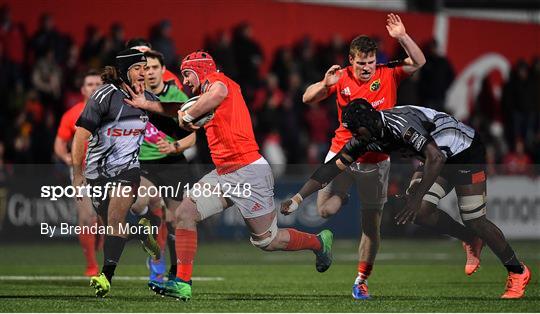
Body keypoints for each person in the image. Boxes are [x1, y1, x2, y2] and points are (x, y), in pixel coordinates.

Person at [125, 51, 334, 301]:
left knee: (267, 241)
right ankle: (182, 283)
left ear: (201, 70)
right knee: (184, 214)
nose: (185, 82)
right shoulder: (205, 95)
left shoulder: (219, 82)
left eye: (187, 74)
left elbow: (215, 95)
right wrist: (147, 105)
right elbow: (180, 109)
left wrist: (189, 116)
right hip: (222, 173)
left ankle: (319, 243)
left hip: (249, 172)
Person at [282, 99, 531, 299]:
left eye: (354, 131)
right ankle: (470, 239)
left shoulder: (400, 126)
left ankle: (517, 270)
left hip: (463, 150)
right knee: (420, 211)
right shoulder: (366, 136)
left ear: (366, 126)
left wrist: (414, 198)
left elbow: (435, 158)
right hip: (436, 156)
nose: (352, 136)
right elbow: (330, 169)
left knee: (474, 218)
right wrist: (297, 198)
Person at [301, 13, 426, 299]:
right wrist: (323, 84)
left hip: (376, 159)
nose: (367, 68)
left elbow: (419, 62)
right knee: (324, 211)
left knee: (371, 225)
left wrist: (402, 37)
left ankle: (361, 280)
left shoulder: (388, 72)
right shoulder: (340, 77)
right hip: (342, 151)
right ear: (351, 61)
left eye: (371, 62)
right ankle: (344, 195)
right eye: (361, 63)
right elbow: (306, 98)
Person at [71, 48, 160, 297]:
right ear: (123, 72)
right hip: (97, 172)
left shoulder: (149, 98)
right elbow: (81, 136)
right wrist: (78, 175)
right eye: (138, 68)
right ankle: (142, 231)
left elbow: (175, 120)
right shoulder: (103, 96)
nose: (144, 73)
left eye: (146, 68)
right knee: (112, 227)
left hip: (127, 170)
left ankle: (105, 276)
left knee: (114, 219)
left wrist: (191, 115)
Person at [133, 49, 195, 288]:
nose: (149, 72)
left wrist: (175, 146)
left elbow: (192, 137)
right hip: (144, 165)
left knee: (175, 220)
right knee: (139, 203)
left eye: (154, 67)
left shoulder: (176, 95)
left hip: (173, 165)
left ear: (162, 70)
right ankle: (155, 258)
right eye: (145, 68)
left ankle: (174, 269)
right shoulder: (135, 97)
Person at [54, 69, 102, 276]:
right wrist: (66, 157)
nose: (94, 87)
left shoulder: (112, 112)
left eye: (98, 84)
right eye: (90, 84)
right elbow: (59, 142)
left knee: (106, 217)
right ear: (83, 89)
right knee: (85, 217)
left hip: (107, 171)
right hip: (81, 172)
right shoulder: (72, 114)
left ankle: (101, 232)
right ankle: (91, 265)